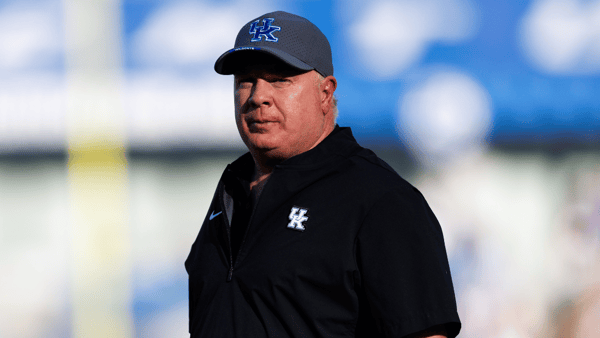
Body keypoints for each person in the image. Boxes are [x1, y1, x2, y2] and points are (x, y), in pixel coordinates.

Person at [185, 11, 461, 338]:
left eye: (279, 79)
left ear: (325, 93)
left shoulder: (379, 199)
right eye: (246, 80)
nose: (258, 96)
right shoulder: (232, 190)